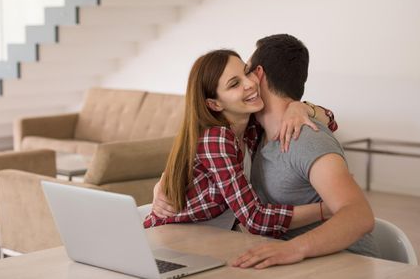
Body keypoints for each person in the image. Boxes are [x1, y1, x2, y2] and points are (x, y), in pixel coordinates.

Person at [143, 49, 336, 237]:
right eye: (234, 84)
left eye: (246, 72)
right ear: (215, 104)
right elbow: (254, 219)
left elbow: (331, 121)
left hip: (209, 237)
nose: (250, 84)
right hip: (169, 236)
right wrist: (326, 209)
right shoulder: (216, 138)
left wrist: (300, 107)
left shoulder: (252, 127)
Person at [230, 34, 379, 268]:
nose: (244, 82)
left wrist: (293, 248)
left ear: (258, 74)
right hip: (291, 266)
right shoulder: (256, 134)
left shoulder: (306, 138)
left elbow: (360, 215)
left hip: (344, 266)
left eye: (247, 71)